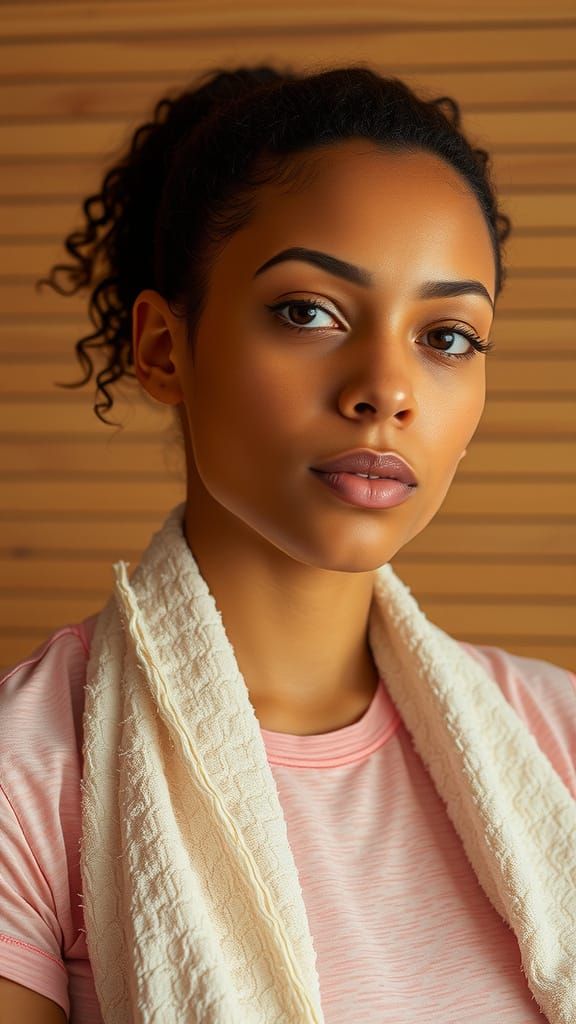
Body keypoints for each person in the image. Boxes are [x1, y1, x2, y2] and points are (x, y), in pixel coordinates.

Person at [0, 63, 574, 1024]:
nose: (387, 388)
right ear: (162, 349)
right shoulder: (30, 773)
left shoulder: (559, 739)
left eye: (447, 337)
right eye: (309, 311)